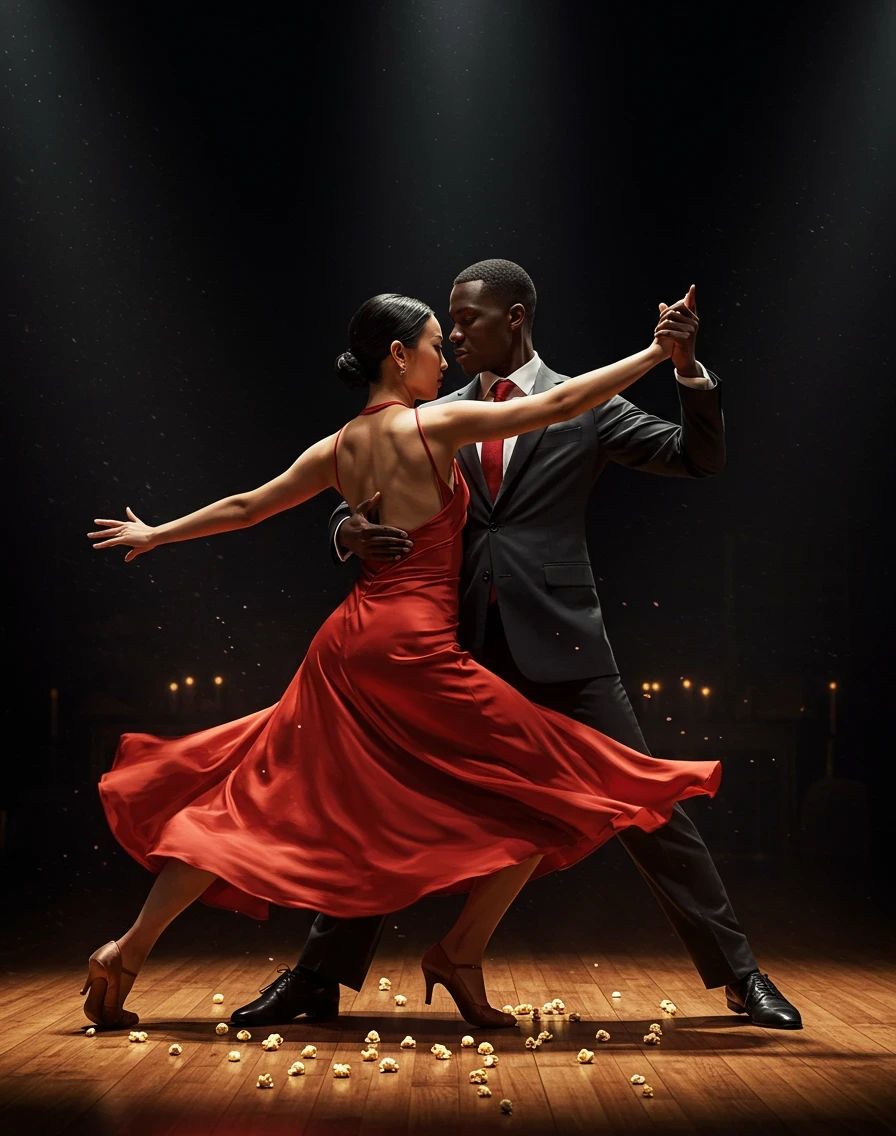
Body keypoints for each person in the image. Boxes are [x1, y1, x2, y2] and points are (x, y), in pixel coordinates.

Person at [84, 289, 722, 1032]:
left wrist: (159, 533)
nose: (443, 356)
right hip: (413, 652)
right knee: (554, 788)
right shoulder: (436, 425)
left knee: (249, 799)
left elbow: (245, 506)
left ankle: (125, 953)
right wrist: (655, 354)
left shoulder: (339, 446)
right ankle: (460, 951)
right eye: (431, 345)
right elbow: (559, 405)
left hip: (345, 648)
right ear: (398, 356)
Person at [230, 261, 802, 1033]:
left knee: (650, 806)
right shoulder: (433, 408)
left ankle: (740, 977)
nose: (454, 334)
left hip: (564, 643)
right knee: (384, 805)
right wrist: (344, 531)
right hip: (453, 648)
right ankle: (316, 978)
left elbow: (698, 458)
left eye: (467, 321)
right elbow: (347, 480)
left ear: (517, 317)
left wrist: (687, 369)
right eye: (449, 326)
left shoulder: (585, 401)